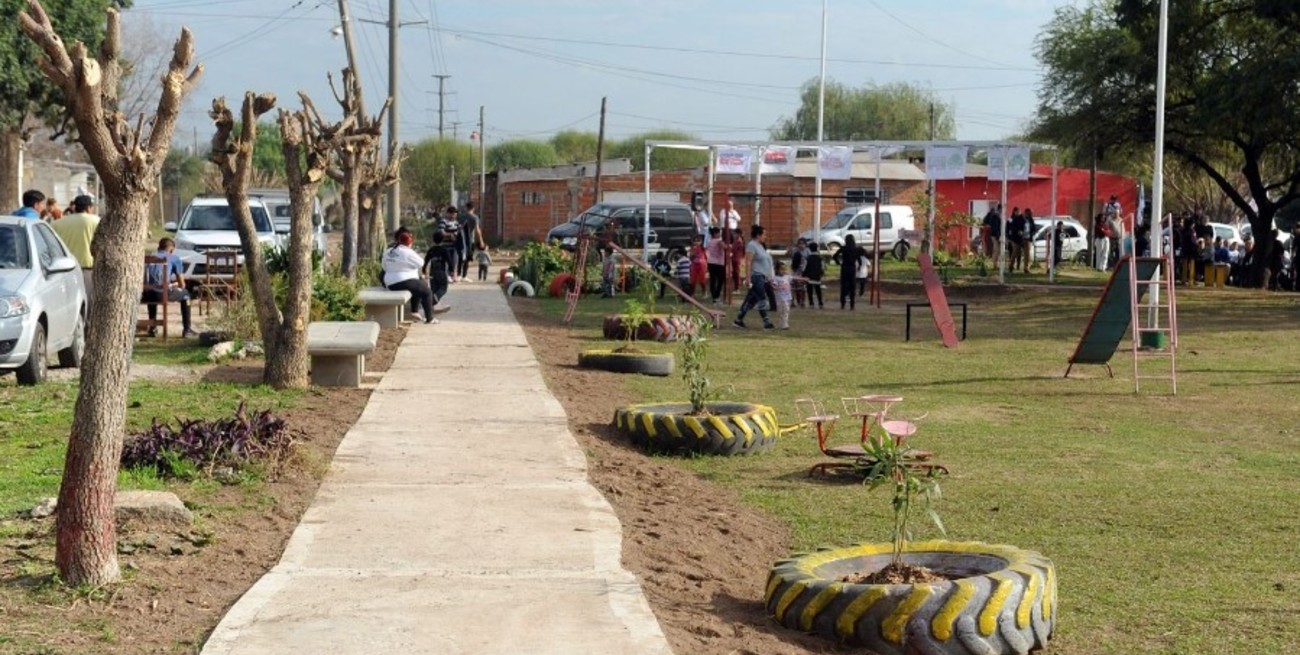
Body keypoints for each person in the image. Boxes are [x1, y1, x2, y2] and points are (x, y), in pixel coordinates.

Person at [50, 195, 100, 304]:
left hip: (63, 269)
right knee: (88, 301)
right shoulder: (97, 221)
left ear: (74, 207)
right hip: (88, 269)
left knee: (67, 303)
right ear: (88, 207)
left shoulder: (57, 223)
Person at [142, 238, 196, 337]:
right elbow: (182, 284)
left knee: (153, 289)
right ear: (171, 250)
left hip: (146, 294)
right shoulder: (174, 258)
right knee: (186, 294)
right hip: (163, 294)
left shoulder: (149, 257)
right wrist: (174, 284)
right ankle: (187, 329)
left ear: (159, 247)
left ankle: (152, 328)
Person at [382, 229, 437, 324]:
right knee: (427, 292)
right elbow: (421, 263)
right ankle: (430, 318)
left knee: (419, 285)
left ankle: (414, 312)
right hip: (402, 281)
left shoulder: (389, 251)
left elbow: (384, 266)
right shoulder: (407, 251)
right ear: (410, 243)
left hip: (389, 282)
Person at [732, 224, 775, 329]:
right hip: (756, 276)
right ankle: (766, 322)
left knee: (752, 300)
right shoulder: (752, 245)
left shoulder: (761, 246)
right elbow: (748, 261)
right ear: (758, 235)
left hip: (763, 277)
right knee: (762, 298)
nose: (766, 237)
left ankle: (739, 320)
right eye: (764, 234)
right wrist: (748, 278)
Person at [422, 231, 454, 310]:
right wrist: (451, 270)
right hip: (441, 271)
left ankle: (433, 307)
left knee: (434, 289)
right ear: (443, 240)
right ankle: (433, 301)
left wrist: (424, 269)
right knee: (443, 288)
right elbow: (449, 260)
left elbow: (426, 260)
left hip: (432, 272)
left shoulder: (431, 250)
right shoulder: (444, 250)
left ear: (433, 240)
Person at [832, 234, 862, 310]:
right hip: (852, 268)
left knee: (844, 286)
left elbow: (835, 256)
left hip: (844, 267)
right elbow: (859, 260)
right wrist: (859, 267)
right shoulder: (856, 249)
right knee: (852, 287)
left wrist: (838, 263)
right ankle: (852, 305)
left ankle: (843, 304)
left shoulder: (843, 248)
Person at [457, 201, 485, 281]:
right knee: (468, 258)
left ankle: (458, 275)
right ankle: (464, 276)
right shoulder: (474, 217)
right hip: (470, 240)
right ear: (473, 208)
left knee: (460, 257)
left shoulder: (461, 217)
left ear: (466, 208)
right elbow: (477, 230)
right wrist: (481, 241)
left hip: (461, 240)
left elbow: (457, 227)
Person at [438, 206, 462, 282]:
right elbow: (442, 232)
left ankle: (454, 275)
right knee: (446, 261)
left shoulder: (456, 223)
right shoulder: (443, 221)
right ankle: (446, 275)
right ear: (448, 214)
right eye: (451, 214)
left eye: (455, 214)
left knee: (455, 261)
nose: (453, 216)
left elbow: (459, 232)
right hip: (445, 246)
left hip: (455, 246)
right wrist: (450, 235)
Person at [705, 227, 726, 304]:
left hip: (711, 262)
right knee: (720, 280)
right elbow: (725, 247)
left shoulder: (709, 242)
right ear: (715, 234)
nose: (720, 234)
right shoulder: (719, 241)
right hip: (719, 263)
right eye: (718, 233)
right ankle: (716, 296)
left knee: (713, 280)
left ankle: (714, 296)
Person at [771, 260, 793, 330]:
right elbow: (774, 286)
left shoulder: (787, 277)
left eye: (784, 269)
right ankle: (782, 323)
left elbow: (795, 278)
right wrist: (775, 287)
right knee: (782, 310)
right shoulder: (776, 278)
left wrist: (803, 279)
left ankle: (784, 324)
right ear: (777, 270)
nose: (783, 271)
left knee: (787, 310)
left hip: (788, 297)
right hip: (781, 298)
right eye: (781, 270)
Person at [803, 243, 825, 308]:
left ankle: (811, 303)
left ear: (810, 249)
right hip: (817, 276)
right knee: (818, 290)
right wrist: (821, 274)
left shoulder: (808, 258)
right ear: (817, 248)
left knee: (810, 290)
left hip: (809, 276)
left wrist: (803, 275)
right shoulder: (820, 258)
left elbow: (805, 267)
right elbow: (822, 267)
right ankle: (820, 303)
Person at [790, 238, 809, 307]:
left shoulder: (807, 251)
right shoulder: (794, 250)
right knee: (793, 287)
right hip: (795, 270)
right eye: (799, 244)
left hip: (803, 271)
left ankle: (802, 302)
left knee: (802, 287)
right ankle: (792, 301)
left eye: (802, 244)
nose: (801, 245)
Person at [1007, 207, 1026, 272]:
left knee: (1019, 253)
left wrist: (1022, 231)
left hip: (1021, 238)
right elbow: (1010, 228)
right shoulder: (1012, 219)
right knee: (1014, 252)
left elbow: (1024, 226)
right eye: (1016, 212)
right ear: (1014, 212)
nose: (1017, 213)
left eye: (1018, 211)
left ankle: (1018, 265)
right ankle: (1011, 266)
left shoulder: (1022, 218)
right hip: (1014, 238)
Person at [689, 233, 708, 298]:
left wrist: (706, 266)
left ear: (701, 242)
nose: (696, 242)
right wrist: (692, 254)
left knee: (702, 280)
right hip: (694, 265)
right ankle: (692, 293)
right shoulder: (692, 248)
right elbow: (691, 258)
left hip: (702, 265)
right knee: (693, 280)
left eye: (698, 241)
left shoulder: (703, 248)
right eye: (695, 241)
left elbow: (706, 257)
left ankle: (704, 292)